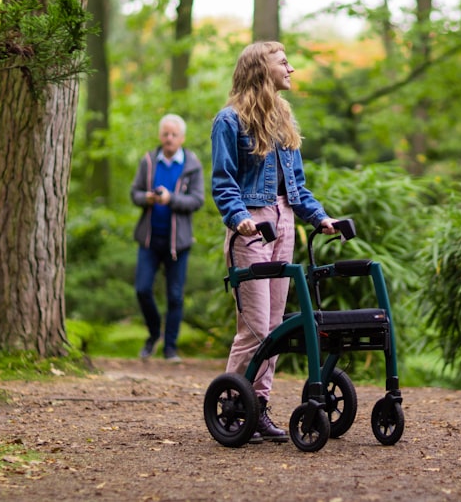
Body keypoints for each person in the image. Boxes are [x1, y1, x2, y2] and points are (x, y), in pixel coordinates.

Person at [211, 40, 337, 443]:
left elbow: (296, 187)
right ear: (260, 69)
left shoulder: (283, 117)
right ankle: (234, 407)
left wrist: (320, 217)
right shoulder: (228, 121)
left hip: (282, 223)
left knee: (276, 328)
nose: (292, 69)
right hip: (252, 224)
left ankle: (258, 408)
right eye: (284, 62)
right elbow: (223, 181)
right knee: (255, 328)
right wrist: (240, 218)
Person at [130, 113, 205, 363]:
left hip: (178, 243)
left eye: (174, 134)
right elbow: (135, 193)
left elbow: (197, 200)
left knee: (175, 296)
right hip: (150, 240)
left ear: (182, 138)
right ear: (160, 136)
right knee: (142, 289)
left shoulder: (192, 165)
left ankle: (170, 348)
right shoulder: (149, 161)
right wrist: (148, 198)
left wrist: (170, 199)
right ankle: (154, 334)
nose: (169, 138)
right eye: (165, 134)